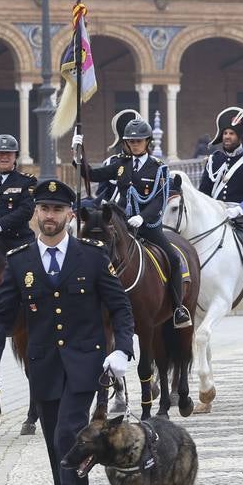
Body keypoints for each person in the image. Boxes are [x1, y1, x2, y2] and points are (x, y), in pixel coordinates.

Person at [0, 179, 135, 485]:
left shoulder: (93, 257)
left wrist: (123, 350)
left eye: (57, 210)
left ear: (70, 215)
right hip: (44, 366)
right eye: (44, 209)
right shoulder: (20, 262)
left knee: (69, 434)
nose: (50, 216)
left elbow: (121, 308)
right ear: (35, 214)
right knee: (56, 445)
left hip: (85, 364)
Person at [77, 114, 191, 327]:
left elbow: (159, 199)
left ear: (148, 142)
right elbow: (91, 175)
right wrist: (78, 157)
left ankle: (178, 308)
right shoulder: (120, 164)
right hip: (121, 224)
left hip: (147, 226)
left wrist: (143, 217)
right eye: (130, 141)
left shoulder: (158, 168)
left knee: (174, 259)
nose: (134, 145)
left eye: (138, 141)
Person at [199, 107, 243, 308]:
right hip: (216, 212)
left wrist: (240, 209)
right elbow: (204, 190)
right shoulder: (213, 160)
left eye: (231, 133)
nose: (227, 137)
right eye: (225, 133)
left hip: (242, 212)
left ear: (239, 136)